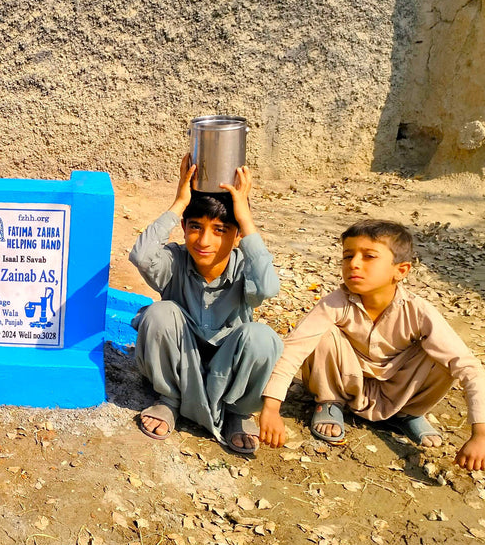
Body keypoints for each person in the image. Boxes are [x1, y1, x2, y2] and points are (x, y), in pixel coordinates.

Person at [258, 220, 485, 471]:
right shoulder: (335, 303)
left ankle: (407, 414)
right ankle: (329, 403)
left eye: (369, 256)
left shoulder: (418, 311)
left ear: (401, 270)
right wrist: (271, 407)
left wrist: (481, 435)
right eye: (348, 255)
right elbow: (293, 350)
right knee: (323, 334)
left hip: (398, 391)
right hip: (344, 383)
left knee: (441, 354)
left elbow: (469, 367)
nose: (354, 263)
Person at [130, 154, 282, 454]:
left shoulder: (243, 267)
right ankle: (169, 400)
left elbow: (267, 287)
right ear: (184, 227)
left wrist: (246, 219)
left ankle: (237, 412)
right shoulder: (175, 260)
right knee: (159, 313)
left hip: (228, 369)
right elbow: (141, 256)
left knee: (262, 337)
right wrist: (179, 202)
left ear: (236, 236)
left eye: (220, 230)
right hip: (177, 361)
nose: (204, 240)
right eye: (195, 227)